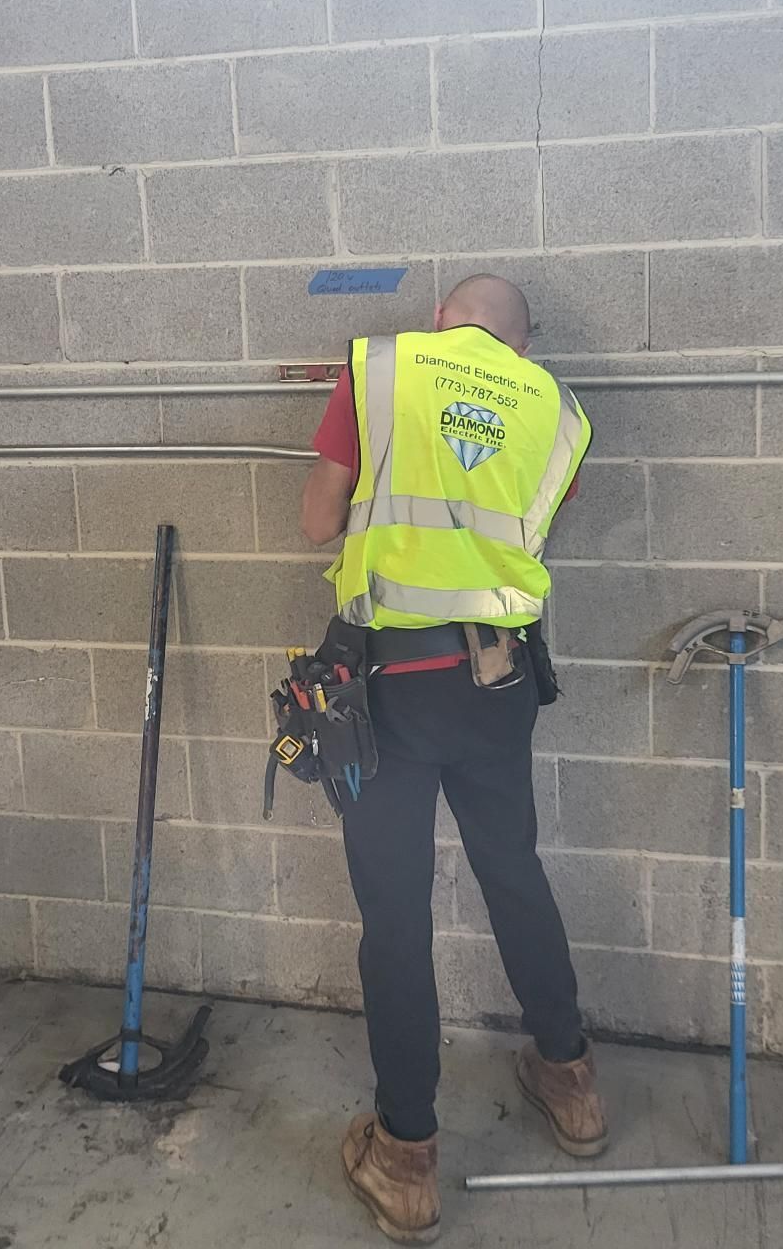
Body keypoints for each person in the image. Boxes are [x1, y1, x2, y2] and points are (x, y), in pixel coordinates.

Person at [300, 274, 602, 1245]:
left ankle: (406, 1156)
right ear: (519, 339)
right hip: (499, 681)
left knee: (395, 913)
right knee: (512, 869)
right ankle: (569, 1079)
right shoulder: (556, 412)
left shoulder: (383, 370)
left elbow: (316, 521)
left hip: (390, 685)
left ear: (440, 321)